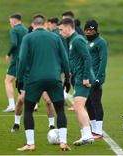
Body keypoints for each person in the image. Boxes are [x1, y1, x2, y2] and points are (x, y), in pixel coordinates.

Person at [16, 14, 71, 151]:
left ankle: (30, 144)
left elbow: (22, 60)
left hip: (35, 79)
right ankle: (63, 142)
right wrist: (68, 79)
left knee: (28, 110)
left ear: (33, 25)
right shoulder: (56, 37)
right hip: (54, 78)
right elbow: (65, 59)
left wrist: (19, 79)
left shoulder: (28, 37)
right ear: (45, 24)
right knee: (60, 109)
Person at [58, 18, 95, 146]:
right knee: (78, 105)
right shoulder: (71, 40)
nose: (60, 32)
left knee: (78, 105)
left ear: (69, 27)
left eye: (61, 29)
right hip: (78, 76)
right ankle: (85, 135)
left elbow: (87, 58)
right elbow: (75, 59)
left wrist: (85, 77)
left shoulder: (77, 40)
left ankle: (88, 135)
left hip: (83, 78)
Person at [84, 20, 108, 139]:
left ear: (96, 30)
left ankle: (99, 131)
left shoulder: (101, 42)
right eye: (87, 30)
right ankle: (93, 129)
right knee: (88, 103)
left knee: (96, 102)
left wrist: (99, 78)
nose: (89, 32)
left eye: (91, 30)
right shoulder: (87, 42)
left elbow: (103, 61)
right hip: (87, 77)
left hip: (96, 78)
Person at [3, 13, 28, 112]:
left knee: (8, 80)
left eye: (10, 21)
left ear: (14, 20)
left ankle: (12, 105)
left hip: (17, 59)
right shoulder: (26, 29)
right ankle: (33, 104)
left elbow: (14, 43)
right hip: (26, 58)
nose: (9, 23)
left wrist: (8, 54)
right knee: (23, 81)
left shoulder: (14, 30)